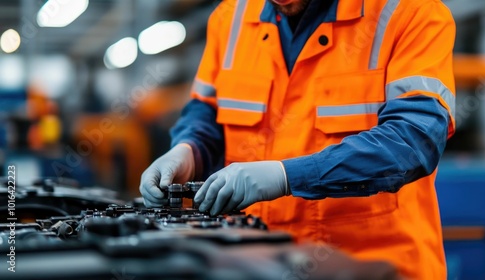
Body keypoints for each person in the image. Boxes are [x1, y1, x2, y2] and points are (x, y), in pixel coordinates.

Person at [140, 0, 455, 278]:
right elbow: (207, 112)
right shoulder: (230, 18)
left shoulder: (412, 13)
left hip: (372, 269)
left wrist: (286, 176)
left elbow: (412, 141)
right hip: (259, 264)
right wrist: (188, 151)